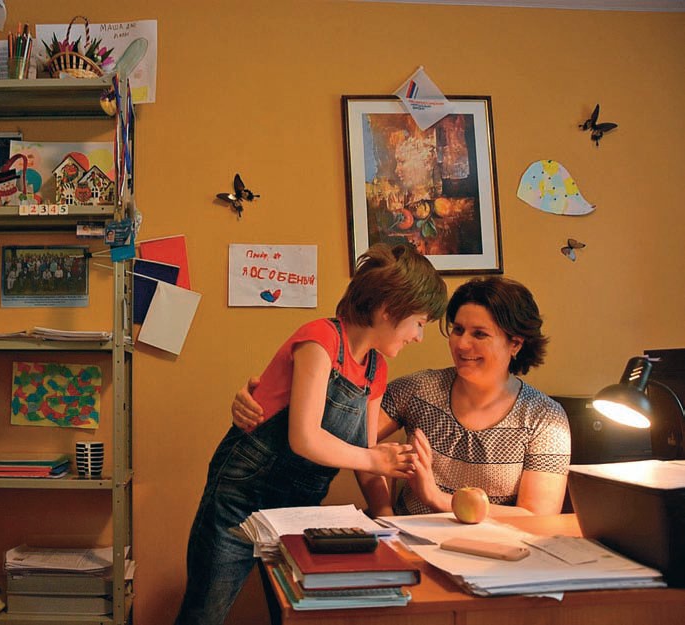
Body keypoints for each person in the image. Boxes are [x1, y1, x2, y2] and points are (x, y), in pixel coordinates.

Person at [174, 243, 448, 625]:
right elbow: (304, 438)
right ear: (389, 310)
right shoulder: (320, 340)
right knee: (206, 610)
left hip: (298, 509)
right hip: (241, 497)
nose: (419, 336)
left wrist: (388, 521)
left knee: (295, 612)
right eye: (419, 322)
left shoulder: (376, 369)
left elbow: (365, 454)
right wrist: (374, 458)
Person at [232, 276, 571, 518]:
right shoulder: (418, 390)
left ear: (516, 343)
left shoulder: (545, 417)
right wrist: (267, 406)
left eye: (479, 334)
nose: (462, 344)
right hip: (412, 548)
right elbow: (348, 439)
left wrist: (437, 498)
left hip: (500, 561)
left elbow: (537, 516)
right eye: (457, 330)